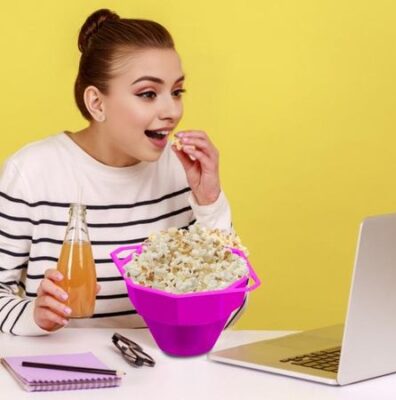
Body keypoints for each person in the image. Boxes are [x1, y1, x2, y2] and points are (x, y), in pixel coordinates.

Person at [0, 8, 246, 336]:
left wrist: (211, 205)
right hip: (59, 363)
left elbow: (228, 311)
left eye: (176, 92)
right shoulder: (31, 173)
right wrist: (34, 316)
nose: (172, 111)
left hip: (159, 362)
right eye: (148, 94)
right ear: (97, 103)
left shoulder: (181, 172)